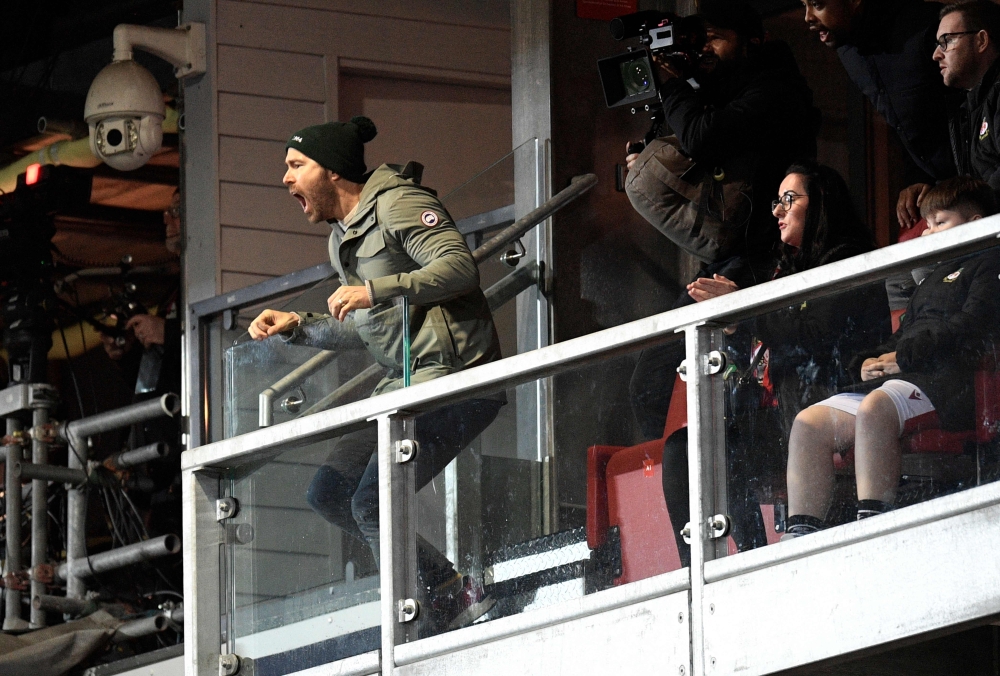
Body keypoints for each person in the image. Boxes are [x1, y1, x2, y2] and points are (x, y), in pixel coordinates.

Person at [248, 117, 503, 631]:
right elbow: (368, 325)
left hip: (456, 375)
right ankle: (449, 591)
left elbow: (459, 268)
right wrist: (299, 327)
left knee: (369, 498)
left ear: (334, 171)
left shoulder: (397, 203)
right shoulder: (342, 237)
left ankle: (440, 605)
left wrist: (377, 290)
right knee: (329, 493)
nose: (285, 178)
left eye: (296, 165)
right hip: (405, 384)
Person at [662, 160, 889, 564]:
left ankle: (749, 559)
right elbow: (766, 343)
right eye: (776, 202)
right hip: (784, 411)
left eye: (790, 199)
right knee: (689, 446)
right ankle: (717, 563)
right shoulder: (784, 268)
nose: (778, 211)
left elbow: (813, 337)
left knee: (717, 449)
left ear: (820, 203)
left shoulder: (849, 258)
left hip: (832, 404)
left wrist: (743, 313)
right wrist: (734, 329)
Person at [627, 0, 821, 441]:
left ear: (751, 42)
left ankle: (716, 480)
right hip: (735, 255)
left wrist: (675, 85)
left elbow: (703, 137)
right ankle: (691, 474)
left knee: (659, 376)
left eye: (715, 37)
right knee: (656, 378)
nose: (704, 48)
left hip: (763, 257)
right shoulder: (723, 86)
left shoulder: (774, 88)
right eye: (700, 38)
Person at [782, 176, 1000, 537]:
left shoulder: (991, 262)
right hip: (905, 377)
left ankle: (874, 529)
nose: (927, 234)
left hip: (951, 382)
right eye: (927, 225)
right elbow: (904, 335)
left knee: (875, 409)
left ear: (974, 223)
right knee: (809, 423)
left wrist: (905, 357)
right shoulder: (932, 278)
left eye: (940, 223)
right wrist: (871, 359)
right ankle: (799, 536)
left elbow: (973, 326)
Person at [801, 0, 959, 229]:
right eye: (803, 4)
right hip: (939, 189)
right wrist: (918, 177)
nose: (807, 17)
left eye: (817, 4)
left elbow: (964, 101)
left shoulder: (924, 24)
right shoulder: (848, 51)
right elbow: (901, 120)